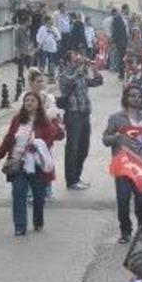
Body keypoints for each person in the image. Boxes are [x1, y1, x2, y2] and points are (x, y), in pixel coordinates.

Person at [0, 91, 64, 235]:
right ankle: (20, 227)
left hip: (37, 165)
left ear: (38, 104)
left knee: (38, 196)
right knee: (18, 194)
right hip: (18, 163)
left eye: (32, 100)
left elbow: (59, 135)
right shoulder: (17, 119)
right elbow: (8, 139)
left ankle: (38, 221)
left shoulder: (45, 121)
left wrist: (55, 124)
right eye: (27, 100)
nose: (29, 103)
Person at [103, 85, 142, 244]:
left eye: (139, 96)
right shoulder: (116, 118)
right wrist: (117, 138)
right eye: (132, 95)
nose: (136, 98)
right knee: (123, 199)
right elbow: (106, 139)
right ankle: (125, 231)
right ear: (126, 98)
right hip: (123, 165)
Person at [58, 50, 93, 190]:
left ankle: (77, 177)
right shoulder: (63, 74)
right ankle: (71, 181)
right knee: (73, 149)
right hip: (73, 115)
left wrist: (93, 68)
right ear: (67, 62)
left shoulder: (81, 72)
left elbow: (96, 82)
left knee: (84, 149)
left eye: (77, 59)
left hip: (85, 114)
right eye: (74, 60)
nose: (77, 61)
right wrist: (79, 69)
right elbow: (67, 86)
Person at [111, 6, 129, 78]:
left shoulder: (120, 19)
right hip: (122, 42)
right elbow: (117, 31)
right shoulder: (118, 19)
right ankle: (122, 73)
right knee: (122, 58)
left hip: (123, 42)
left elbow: (117, 32)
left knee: (122, 58)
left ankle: (122, 73)